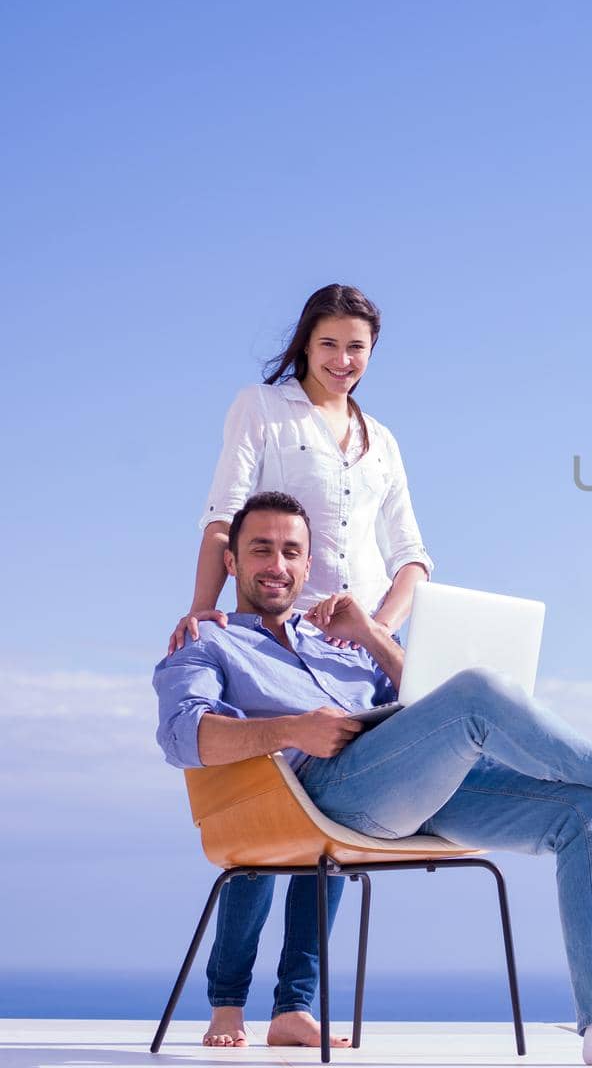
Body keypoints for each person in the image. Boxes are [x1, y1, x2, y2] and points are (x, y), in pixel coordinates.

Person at [155, 491, 592, 1068]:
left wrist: (373, 636)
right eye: (261, 550)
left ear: (310, 564)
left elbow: (432, 702)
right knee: (480, 688)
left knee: (589, 811)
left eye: (291, 552)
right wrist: (295, 729)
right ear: (231, 562)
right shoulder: (207, 640)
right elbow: (183, 736)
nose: (277, 566)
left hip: (416, 786)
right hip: (325, 795)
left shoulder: (344, 641)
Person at [166, 284, 433, 1048]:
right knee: (261, 809)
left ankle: (296, 1004)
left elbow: (412, 555)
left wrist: (377, 628)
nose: (343, 361)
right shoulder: (263, 408)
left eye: (357, 348)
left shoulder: (381, 438)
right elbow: (224, 517)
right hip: (272, 637)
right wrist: (204, 608)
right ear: (305, 344)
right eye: (329, 344)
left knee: (340, 821)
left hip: (355, 655)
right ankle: (226, 1001)